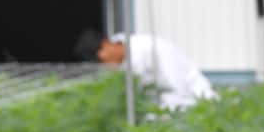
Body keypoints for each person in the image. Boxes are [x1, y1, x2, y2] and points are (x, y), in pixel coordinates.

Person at [73, 28, 215, 111]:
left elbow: (176, 81)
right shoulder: (123, 60)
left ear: (105, 45)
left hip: (193, 98)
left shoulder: (147, 48)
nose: (108, 65)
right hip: (164, 106)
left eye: (103, 60)